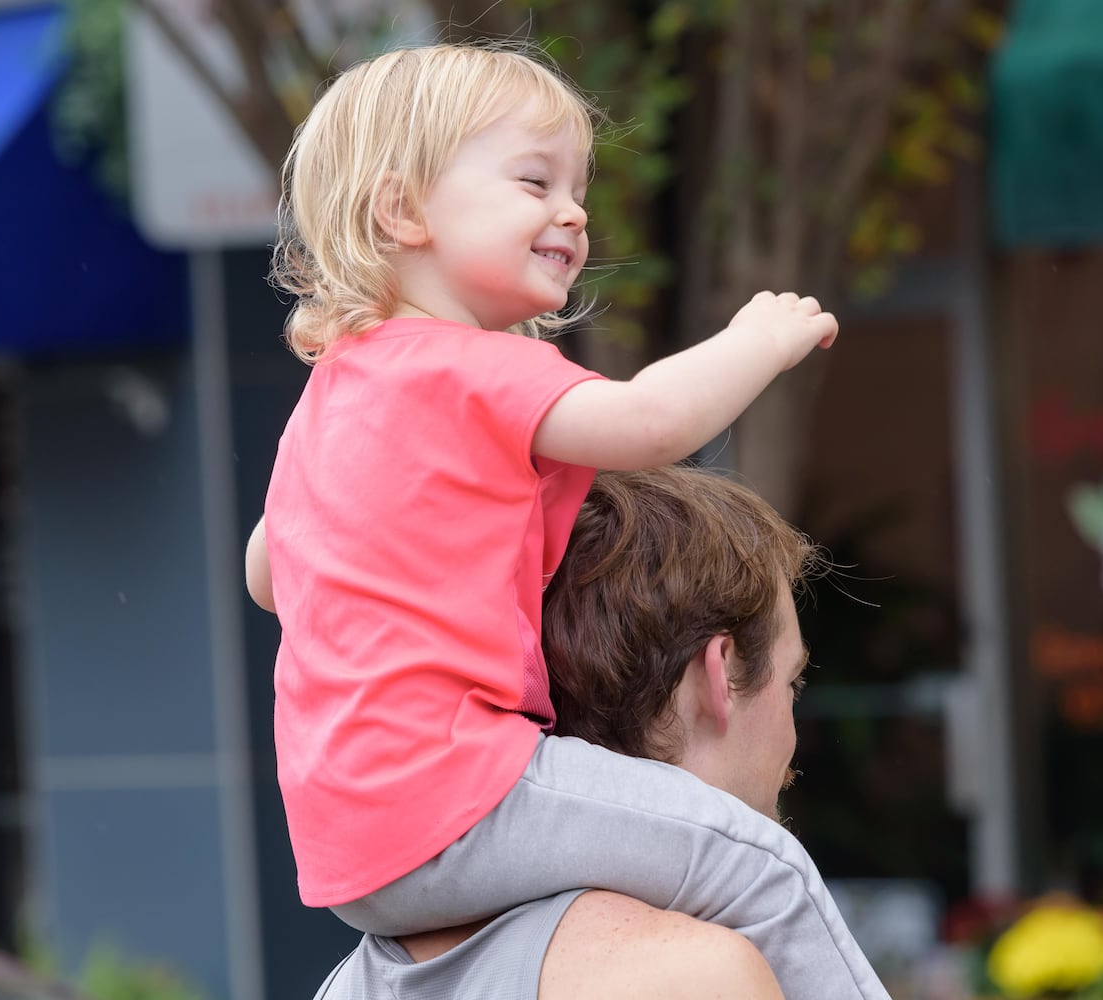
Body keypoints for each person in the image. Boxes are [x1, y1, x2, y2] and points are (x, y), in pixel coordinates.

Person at [255, 41, 853, 999]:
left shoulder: (333, 398)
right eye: (534, 181)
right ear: (400, 209)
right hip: (459, 788)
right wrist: (757, 341)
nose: (571, 211)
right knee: (766, 867)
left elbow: (269, 573)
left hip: (345, 848)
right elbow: (654, 423)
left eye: (577, 186)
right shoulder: (473, 365)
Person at [310, 466, 884, 999]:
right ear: (721, 674)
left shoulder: (352, 983)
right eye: (792, 683)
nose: (794, 737)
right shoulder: (697, 975)